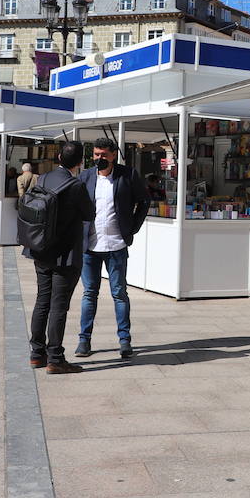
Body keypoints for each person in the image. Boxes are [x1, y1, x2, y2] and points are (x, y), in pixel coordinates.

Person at [22, 142, 96, 374]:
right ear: (80, 162)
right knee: (58, 306)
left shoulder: (43, 178)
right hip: (65, 254)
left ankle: (37, 354)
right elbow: (89, 213)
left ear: (59, 158)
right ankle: (55, 358)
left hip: (41, 249)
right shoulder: (75, 185)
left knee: (42, 301)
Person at [75, 138, 149, 360]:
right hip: (90, 246)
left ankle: (124, 341)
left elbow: (144, 201)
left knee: (119, 293)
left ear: (113, 155)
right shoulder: (85, 176)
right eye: (96, 154)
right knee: (89, 293)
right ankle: (84, 340)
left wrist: (132, 228)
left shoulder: (128, 175)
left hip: (117, 245)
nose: (99, 158)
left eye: (103, 155)